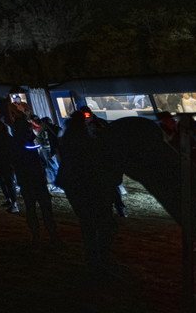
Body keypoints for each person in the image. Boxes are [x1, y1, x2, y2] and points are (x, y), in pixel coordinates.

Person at [56, 113, 118, 272]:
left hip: (74, 186)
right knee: (104, 222)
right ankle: (101, 257)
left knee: (87, 223)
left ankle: (93, 257)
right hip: (91, 185)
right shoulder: (86, 141)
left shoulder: (67, 140)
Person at [9, 102, 59, 244]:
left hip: (26, 179)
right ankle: (52, 235)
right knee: (44, 208)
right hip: (35, 177)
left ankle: (36, 236)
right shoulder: (27, 144)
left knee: (31, 208)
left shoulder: (17, 144)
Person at [0, 120, 18, 212]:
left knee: (8, 182)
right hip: (0, 162)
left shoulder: (5, 136)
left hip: (5, 163)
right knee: (3, 181)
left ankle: (14, 203)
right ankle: (9, 199)